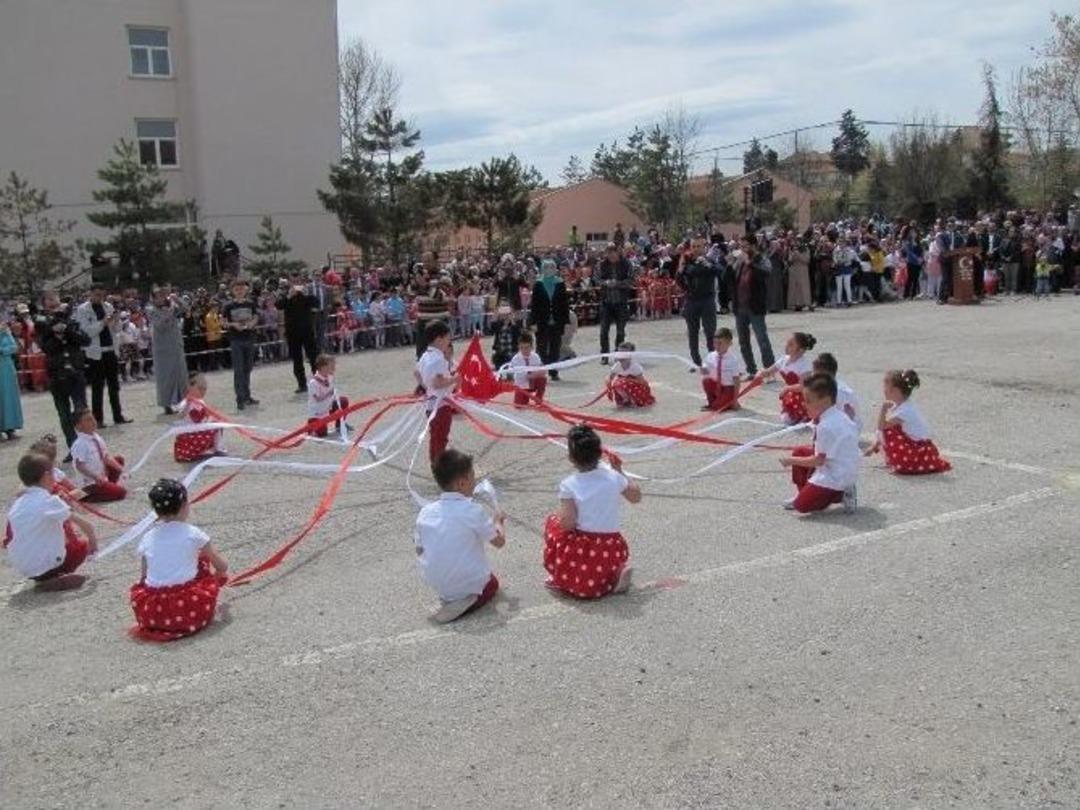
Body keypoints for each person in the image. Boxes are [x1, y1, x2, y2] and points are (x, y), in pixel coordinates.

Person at [542, 424, 640, 599]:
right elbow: (635, 497)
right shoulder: (613, 477)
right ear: (600, 453)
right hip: (612, 547)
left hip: (587, 551)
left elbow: (568, 523)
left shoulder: (569, 484)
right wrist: (620, 471)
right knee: (599, 561)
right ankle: (615, 572)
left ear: (571, 458)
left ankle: (562, 575)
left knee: (554, 524)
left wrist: (559, 517)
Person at [129, 478, 229, 642]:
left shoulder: (147, 537)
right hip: (187, 611)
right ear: (184, 506)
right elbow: (221, 565)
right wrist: (220, 574)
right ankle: (192, 615)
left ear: (156, 511)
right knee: (203, 560)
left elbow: (143, 578)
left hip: (153, 613)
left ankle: (164, 623)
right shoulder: (193, 533)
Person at [414, 449, 506, 623]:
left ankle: (452, 595)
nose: (475, 481)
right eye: (472, 477)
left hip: (437, 583)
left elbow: (419, 550)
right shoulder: (473, 511)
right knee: (492, 583)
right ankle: (467, 599)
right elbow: (499, 542)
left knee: (451, 568)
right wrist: (498, 522)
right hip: (466, 583)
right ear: (461, 484)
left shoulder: (425, 512)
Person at [5, 453, 97, 586]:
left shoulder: (17, 504)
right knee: (80, 547)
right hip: (45, 565)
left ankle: (46, 576)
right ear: (46, 476)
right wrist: (92, 543)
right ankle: (54, 576)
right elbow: (86, 525)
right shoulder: (49, 500)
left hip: (24, 566)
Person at [779, 373, 860, 514]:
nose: (805, 405)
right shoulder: (837, 415)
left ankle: (840, 494)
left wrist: (789, 461)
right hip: (840, 466)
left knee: (802, 506)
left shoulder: (826, 426)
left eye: (809, 401)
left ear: (825, 400)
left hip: (836, 474)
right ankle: (805, 491)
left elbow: (818, 461)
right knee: (800, 451)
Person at [865, 370, 951, 475]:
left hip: (918, 452)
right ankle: (898, 459)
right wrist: (875, 446)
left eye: (885, 387)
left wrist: (883, 409)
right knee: (890, 429)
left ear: (895, 390)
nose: (883, 390)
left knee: (888, 430)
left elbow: (881, 427)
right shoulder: (903, 405)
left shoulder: (905, 411)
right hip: (920, 448)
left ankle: (903, 463)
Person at [35, 291, 89, 453]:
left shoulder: (71, 318)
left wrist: (67, 329)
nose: (53, 302)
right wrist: (54, 333)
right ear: (44, 303)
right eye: (49, 299)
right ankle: (73, 448)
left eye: (55, 298)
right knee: (64, 414)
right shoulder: (41, 322)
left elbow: (85, 340)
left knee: (81, 409)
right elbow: (46, 347)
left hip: (75, 371)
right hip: (57, 374)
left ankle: (87, 445)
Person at [75, 285, 131, 427]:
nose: (99, 298)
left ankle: (118, 415)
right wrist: (103, 323)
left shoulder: (108, 307)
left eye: (102, 295)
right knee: (97, 387)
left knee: (114, 385)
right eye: (96, 294)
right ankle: (98, 419)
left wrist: (116, 320)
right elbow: (87, 332)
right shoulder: (83, 310)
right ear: (90, 294)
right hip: (95, 353)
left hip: (110, 350)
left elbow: (117, 330)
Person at [731, 241, 776, 377]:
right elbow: (731, 279)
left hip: (755, 307)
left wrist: (750, 263)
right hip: (740, 307)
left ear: (754, 246)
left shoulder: (762, 260)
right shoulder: (740, 262)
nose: (743, 249)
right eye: (742, 246)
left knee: (762, 339)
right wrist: (728, 265)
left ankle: (769, 372)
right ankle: (751, 370)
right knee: (743, 342)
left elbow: (766, 273)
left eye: (746, 246)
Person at [416, 321, 459, 463]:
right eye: (448, 338)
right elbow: (438, 383)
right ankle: (439, 466)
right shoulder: (439, 359)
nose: (449, 341)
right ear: (439, 339)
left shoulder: (425, 356)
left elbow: (417, 374)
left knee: (435, 436)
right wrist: (455, 379)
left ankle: (436, 462)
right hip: (440, 405)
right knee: (440, 437)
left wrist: (427, 387)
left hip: (430, 404)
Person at [755, 332, 816, 425]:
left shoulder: (804, 365)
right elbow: (770, 371)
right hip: (790, 395)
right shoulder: (784, 359)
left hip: (803, 397)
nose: (786, 346)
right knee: (786, 420)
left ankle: (804, 414)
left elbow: (803, 387)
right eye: (787, 343)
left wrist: (787, 388)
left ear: (801, 350)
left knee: (790, 420)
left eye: (791, 345)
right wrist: (761, 373)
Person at [677, 245, 723, 368]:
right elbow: (679, 279)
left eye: (700, 246)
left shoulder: (709, 260)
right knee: (692, 332)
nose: (697, 249)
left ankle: (713, 359)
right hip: (692, 300)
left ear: (705, 248)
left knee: (710, 331)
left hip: (707, 300)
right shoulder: (687, 262)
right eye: (695, 246)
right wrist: (682, 273)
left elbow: (720, 271)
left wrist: (709, 265)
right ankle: (696, 361)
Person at [70, 408, 126, 503]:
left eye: (93, 418)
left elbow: (106, 457)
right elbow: (80, 466)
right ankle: (85, 497)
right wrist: (95, 477)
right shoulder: (80, 444)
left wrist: (121, 469)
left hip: (101, 476)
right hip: (90, 482)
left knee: (118, 459)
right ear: (78, 427)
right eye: (88, 420)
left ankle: (109, 486)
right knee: (121, 493)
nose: (93, 422)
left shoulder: (97, 437)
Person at [148, 287, 189, 416]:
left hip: (176, 346)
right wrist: (170, 309)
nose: (163, 298)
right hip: (162, 349)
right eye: (159, 296)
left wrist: (178, 300)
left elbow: (185, 309)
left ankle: (184, 401)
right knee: (165, 377)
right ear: (153, 299)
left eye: (163, 295)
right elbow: (160, 325)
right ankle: (166, 404)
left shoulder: (172, 306)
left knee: (181, 375)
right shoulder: (151, 310)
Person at [528, 258, 570, 380]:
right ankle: (542, 369)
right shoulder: (538, 284)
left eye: (552, 267)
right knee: (541, 346)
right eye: (546, 267)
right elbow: (534, 305)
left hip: (557, 320)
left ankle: (553, 371)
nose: (549, 270)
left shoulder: (560, 283)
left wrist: (565, 322)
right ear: (542, 269)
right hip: (542, 320)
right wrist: (533, 322)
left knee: (555, 346)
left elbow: (564, 304)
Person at [222, 280, 259, 411]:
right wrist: (234, 325)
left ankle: (247, 396)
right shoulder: (228, 306)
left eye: (241, 289)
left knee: (248, 368)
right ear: (232, 291)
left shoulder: (250, 303)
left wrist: (252, 324)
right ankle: (240, 398)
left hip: (249, 337)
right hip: (236, 339)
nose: (239, 291)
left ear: (245, 290)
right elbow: (224, 322)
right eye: (236, 289)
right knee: (238, 370)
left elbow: (256, 317)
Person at [278, 283, 319, 393]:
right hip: (292, 333)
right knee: (297, 360)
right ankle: (302, 384)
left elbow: (316, 303)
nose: (297, 290)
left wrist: (307, 294)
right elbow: (278, 305)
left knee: (314, 357)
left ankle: (319, 381)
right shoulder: (287, 298)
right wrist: (288, 296)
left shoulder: (307, 298)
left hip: (307, 331)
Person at [596, 243, 633, 362]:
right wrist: (606, 283)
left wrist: (617, 283)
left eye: (613, 252)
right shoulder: (601, 265)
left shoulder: (627, 264)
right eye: (608, 252)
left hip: (621, 302)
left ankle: (619, 355)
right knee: (603, 331)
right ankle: (605, 355)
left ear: (618, 252)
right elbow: (596, 279)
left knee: (620, 331)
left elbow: (630, 280)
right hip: (606, 302)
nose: (611, 255)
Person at [174, 372, 224, 463]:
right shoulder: (185, 403)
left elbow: (204, 417)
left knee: (217, 422)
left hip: (198, 431)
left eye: (205, 389)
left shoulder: (200, 402)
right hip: (188, 436)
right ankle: (217, 450)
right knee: (215, 425)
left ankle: (214, 449)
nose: (203, 392)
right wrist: (188, 405)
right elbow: (180, 416)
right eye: (200, 388)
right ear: (189, 387)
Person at [811, 352, 861, 430]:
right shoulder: (835, 386)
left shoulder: (838, 393)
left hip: (844, 431)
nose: (813, 377)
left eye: (815, 374)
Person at [700, 327, 745, 412]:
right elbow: (705, 371)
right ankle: (713, 402)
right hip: (717, 385)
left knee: (718, 408)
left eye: (720, 343)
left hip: (728, 388)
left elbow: (737, 381)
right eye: (715, 343)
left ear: (729, 343)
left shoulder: (733, 360)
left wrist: (735, 400)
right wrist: (701, 370)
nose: (717, 346)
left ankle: (725, 402)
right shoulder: (711, 356)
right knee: (706, 380)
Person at [307, 354, 350, 437]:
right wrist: (330, 393)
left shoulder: (330, 377)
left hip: (328, 407)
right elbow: (318, 399)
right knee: (321, 434)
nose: (334, 368)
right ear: (323, 367)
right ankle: (311, 426)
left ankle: (340, 425)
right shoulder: (313, 382)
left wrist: (334, 396)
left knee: (343, 401)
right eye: (332, 366)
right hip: (318, 413)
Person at [608, 342, 655, 407]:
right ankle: (625, 399)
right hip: (622, 386)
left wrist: (628, 380)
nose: (621, 356)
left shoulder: (635, 366)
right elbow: (610, 378)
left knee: (620, 383)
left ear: (631, 355)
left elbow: (642, 382)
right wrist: (609, 387)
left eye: (624, 353)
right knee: (617, 384)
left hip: (637, 386)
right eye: (620, 353)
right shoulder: (617, 366)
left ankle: (631, 400)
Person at [0, 321, 24, 439]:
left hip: (6, 369)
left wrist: (2, 350)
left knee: (8, 398)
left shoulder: (5, 331)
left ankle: (10, 428)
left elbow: (14, 347)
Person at [508, 332, 546, 407]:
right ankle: (525, 397)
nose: (524, 350)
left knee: (542, 379)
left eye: (527, 347)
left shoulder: (535, 357)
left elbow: (543, 370)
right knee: (519, 406)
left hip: (533, 382)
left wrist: (535, 374)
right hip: (521, 385)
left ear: (531, 347)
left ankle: (539, 398)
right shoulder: (516, 359)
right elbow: (511, 374)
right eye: (521, 347)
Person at [489, 304, 522, 370]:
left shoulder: (515, 324)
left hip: (511, 351)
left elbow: (518, 333)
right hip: (500, 352)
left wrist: (512, 320)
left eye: (507, 314)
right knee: (499, 370)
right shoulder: (499, 324)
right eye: (503, 314)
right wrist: (495, 315)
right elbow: (491, 331)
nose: (505, 316)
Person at [787, 240, 814, 311]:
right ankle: (797, 304)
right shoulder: (793, 250)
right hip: (794, 271)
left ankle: (807, 303)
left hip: (803, 271)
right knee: (796, 288)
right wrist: (792, 255)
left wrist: (798, 255)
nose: (797, 244)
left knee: (804, 288)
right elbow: (790, 260)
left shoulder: (806, 250)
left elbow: (806, 260)